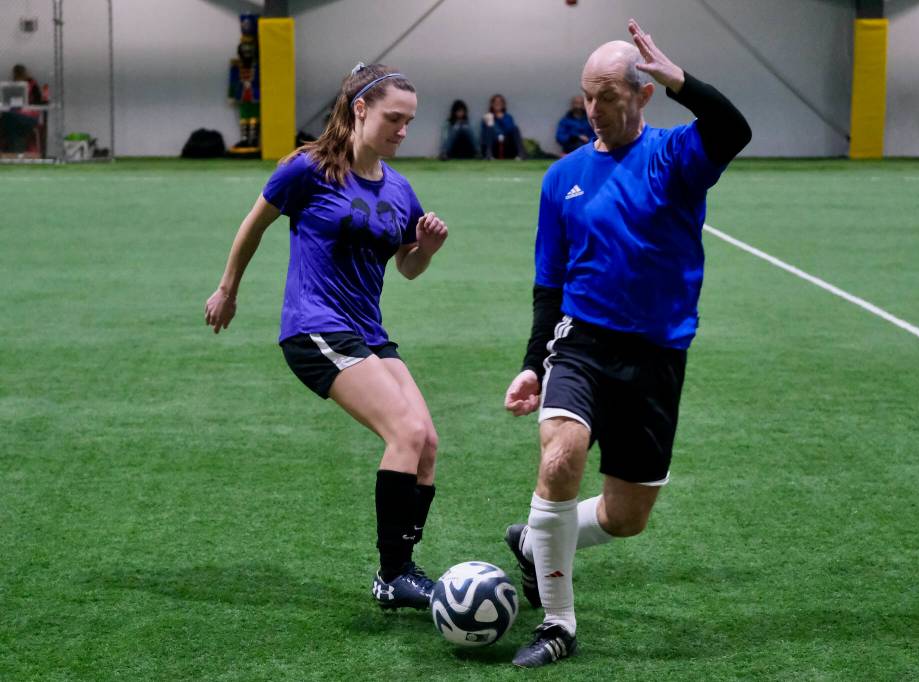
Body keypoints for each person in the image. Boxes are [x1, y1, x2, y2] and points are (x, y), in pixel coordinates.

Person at [502, 18, 750, 668]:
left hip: (658, 356)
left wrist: (682, 82)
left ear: (641, 95)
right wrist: (532, 365)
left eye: (607, 97)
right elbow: (548, 285)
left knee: (626, 517)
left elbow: (734, 131)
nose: (593, 110)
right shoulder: (562, 178)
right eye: (587, 96)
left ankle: (535, 544)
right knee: (561, 458)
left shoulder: (675, 156)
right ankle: (558, 623)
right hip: (581, 341)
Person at [204, 62, 449, 611]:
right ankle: (394, 574)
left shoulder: (400, 189)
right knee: (405, 432)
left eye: (409, 122)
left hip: (368, 332)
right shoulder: (308, 170)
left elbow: (407, 268)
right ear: (360, 109)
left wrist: (426, 250)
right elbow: (253, 225)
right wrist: (227, 289)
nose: (403, 131)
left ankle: (400, 570)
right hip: (315, 327)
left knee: (427, 444)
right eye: (394, 118)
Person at [480, 93, 527, 159]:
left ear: (503, 104)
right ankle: (488, 155)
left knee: (515, 128)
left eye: (500, 102)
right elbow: (485, 136)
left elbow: (510, 131)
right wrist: (490, 122)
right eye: (495, 102)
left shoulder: (508, 117)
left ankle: (521, 154)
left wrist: (501, 119)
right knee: (489, 128)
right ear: (492, 104)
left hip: (506, 146)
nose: (497, 104)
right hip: (493, 146)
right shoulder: (487, 117)